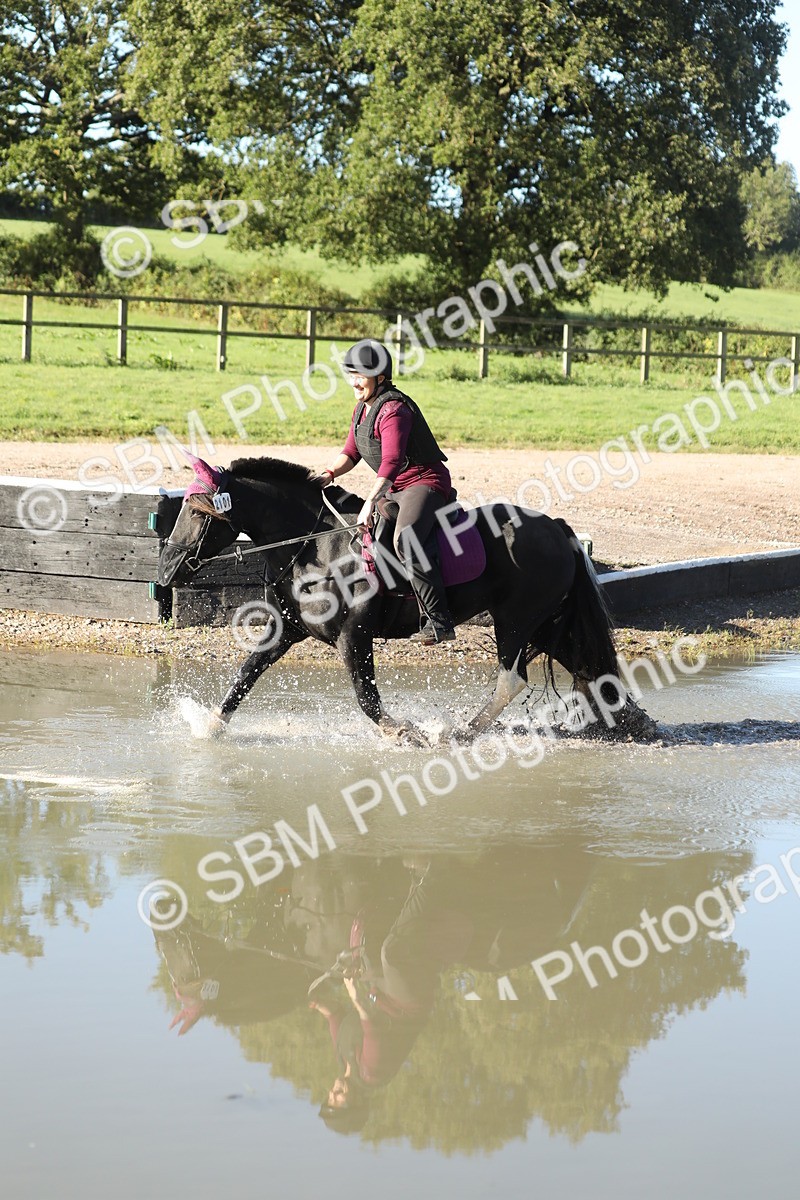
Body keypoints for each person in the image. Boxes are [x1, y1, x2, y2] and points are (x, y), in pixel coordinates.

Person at [311, 339, 456, 645]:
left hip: (424, 482)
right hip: (395, 487)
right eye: (351, 374)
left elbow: (391, 461)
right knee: (373, 542)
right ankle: (394, 608)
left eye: (359, 375)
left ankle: (438, 620)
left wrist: (369, 503)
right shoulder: (362, 409)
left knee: (407, 539)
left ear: (379, 377)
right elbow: (351, 452)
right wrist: (328, 474)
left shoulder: (394, 410)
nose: (354, 381)